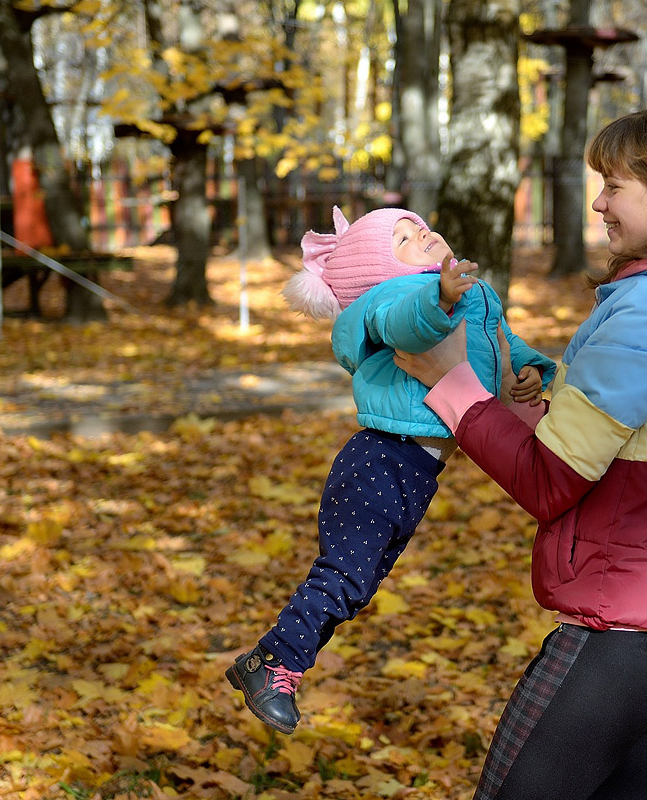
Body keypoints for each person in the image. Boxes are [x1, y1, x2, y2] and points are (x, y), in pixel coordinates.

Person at [393, 103, 647, 799]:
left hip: (622, 641)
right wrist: (528, 406)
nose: (598, 202)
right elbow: (632, 448)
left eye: (614, 185)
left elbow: (549, 483)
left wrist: (450, 382)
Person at [227, 205, 557, 735]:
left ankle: (273, 659)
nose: (423, 233)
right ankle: (273, 665)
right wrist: (440, 298)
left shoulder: (474, 296)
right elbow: (407, 323)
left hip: (416, 470)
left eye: (421, 226)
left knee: (358, 585)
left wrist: (529, 371)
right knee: (344, 574)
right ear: (378, 272)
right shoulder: (391, 299)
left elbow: (502, 344)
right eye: (403, 238)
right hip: (380, 460)